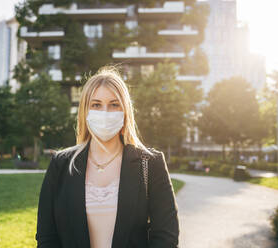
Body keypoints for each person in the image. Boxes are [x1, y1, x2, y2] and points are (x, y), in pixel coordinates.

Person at [36, 66, 179, 248]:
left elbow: (166, 238)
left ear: (125, 110)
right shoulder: (61, 164)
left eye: (114, 104)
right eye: (96, 105)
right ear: (85, 111)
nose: (105, 113)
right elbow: (47, 237)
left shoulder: (151, 164)